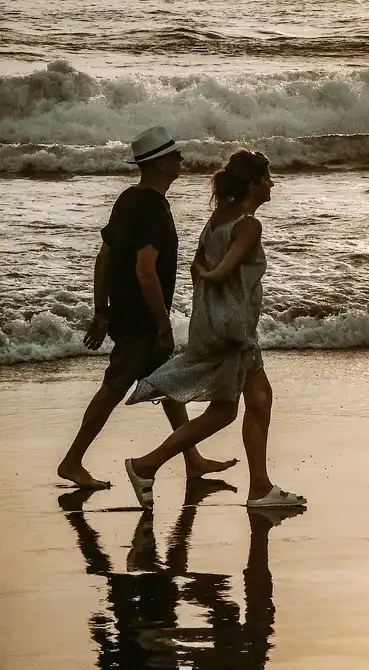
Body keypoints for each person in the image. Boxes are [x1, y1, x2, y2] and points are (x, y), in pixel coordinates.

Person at [123, 149, 306, 510]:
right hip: (233, 328)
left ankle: (259, 487)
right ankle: (147, 465)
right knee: (232, 409)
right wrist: (215, 276)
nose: (272, 184)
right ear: (253, 184)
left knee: (255, 400)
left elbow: (196, 266)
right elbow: (222, 268)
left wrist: (207, 281)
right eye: (267, 177)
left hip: (213, 323)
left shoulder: (216, 220)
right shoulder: (249, 224)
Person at [57, 126, 237, 489]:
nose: (180, 161)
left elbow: (104, 256)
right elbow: (145, 270)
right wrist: (162, 325)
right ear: (158, 165)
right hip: (141, 319)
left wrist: (102, 310)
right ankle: (72, 461)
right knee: (113, 387)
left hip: (125, 312)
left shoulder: (128, 199)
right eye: (174, 157)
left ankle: (193, 458)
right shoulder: (152, 209)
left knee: (168, 384)